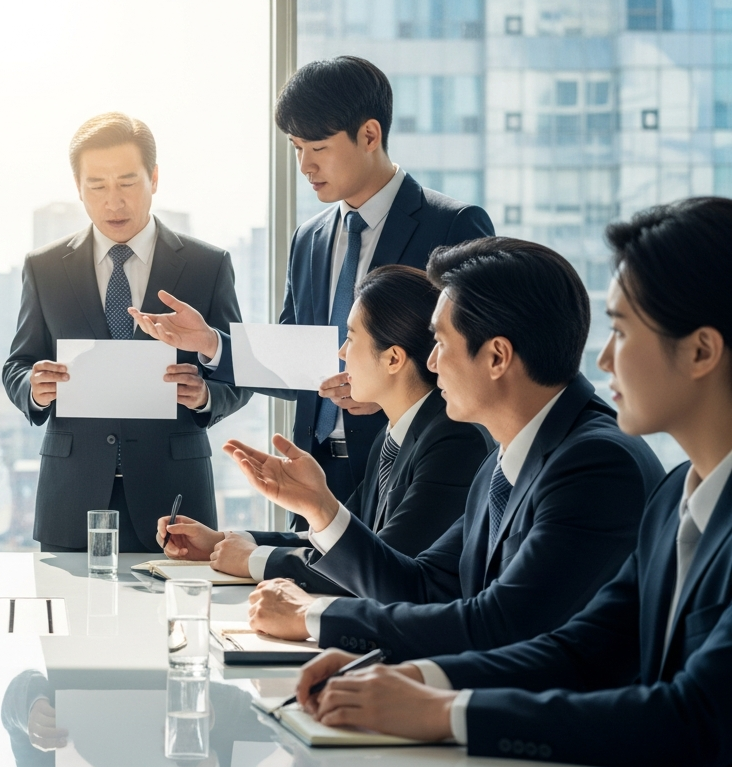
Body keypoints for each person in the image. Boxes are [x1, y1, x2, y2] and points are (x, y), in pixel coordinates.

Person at [289, 198, 732, 767]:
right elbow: (580, 649)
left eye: (621, 331)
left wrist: (440, 711)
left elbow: (692, 717)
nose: (602, 360)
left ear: (701, 350)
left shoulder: (599, 463)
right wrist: (407, 676)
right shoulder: (675, 495)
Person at [231, 236, 665, 662]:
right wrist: (321, 509)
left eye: (440, 342)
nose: (432, 362)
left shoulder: (597, 465)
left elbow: (502, 625)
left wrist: (316, 616)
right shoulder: (502, 463)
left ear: (496, 357)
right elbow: (422, 587)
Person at [130, 56, 493, 510]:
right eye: (296, 147)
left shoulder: (452, 226)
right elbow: (298, 360)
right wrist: (211, 343)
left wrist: (391, 395)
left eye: (317, 148)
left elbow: (483, 363)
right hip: (317, 474)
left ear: (369, 135)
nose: (304, 164)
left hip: (416, 469)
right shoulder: (310, 238)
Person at [1, 112, 252, 552]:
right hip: (72, 491)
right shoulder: (44, 268)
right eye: (97, 186)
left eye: (127, 183)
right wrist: (35, 389)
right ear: (78, 188)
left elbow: (239, 370)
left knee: (170, 619)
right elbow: (17, 365)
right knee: (69, 618)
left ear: (154, 178)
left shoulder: (207, 265)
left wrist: (205, 394)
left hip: (173, 494)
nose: (113, 202)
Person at [157, 266, 491, 594]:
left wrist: (255, 559)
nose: (342, 353)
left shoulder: (453, 441)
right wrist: (226, 541)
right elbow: (348, 538)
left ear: (392, 359)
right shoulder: (393, 436)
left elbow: (376, 568)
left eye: (350, 337)